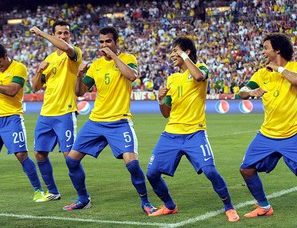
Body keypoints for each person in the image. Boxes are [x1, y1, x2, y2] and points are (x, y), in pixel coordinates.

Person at [62, 26, 157, 214]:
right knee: (72, 161)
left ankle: (145, 202)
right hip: (96, 121)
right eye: (102, 42)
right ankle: (83, 199)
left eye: (108, 41)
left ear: (116, 42)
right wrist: (79, 75)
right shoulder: (96, 65)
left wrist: (113, 56)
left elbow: (131, 76)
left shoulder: (128, 59)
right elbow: (79, 92)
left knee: (132, 164)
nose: (104, 45)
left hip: (119, 121)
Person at [146, 36, 240, 222]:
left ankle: (229, 207)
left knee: (210, 171)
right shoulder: (172, 78)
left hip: (195, 133)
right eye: (172, 51)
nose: (172, 55)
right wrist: (160, 99)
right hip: (171, 133)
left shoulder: (201, 68)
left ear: (186, 52)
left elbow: (198, 76)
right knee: (152, 173)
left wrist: (185, 58)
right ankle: (170, 206)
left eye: (175, 51)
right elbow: (166, 113)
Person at [238, 33, 297, 218]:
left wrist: (279, 69)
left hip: (294, 132)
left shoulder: (296, 67)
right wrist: (250, 91)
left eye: (266, 47)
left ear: (277, 49)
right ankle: (264, 206)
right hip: (267, 134)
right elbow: (242, 91)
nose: (263, 51)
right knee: (246, 169)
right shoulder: (261, 73)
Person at [29, 20, 82, 202]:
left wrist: (42, 34)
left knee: (70, 157)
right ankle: (52, 191)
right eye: (59, 33)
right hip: (46, 113)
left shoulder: (73, 53)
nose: (62, 36)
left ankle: (83, 196)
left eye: (65, 33)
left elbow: (65, 48)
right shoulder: (49, 59)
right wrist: (38, 71)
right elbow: (35, 87)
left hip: (65, 113)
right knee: (39, 153)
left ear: (69, 35)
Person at [0, 43, 44, 201]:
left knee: (21, 154)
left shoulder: (19, 68)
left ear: (6, 57)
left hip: (11, 117)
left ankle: (38, 190)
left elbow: (12, 91)